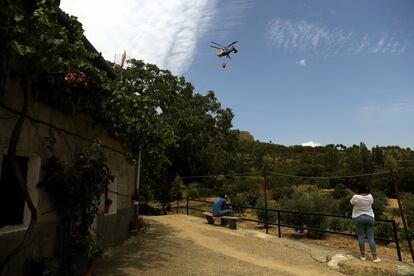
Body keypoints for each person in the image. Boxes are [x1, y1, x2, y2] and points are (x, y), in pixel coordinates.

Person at [350, 186, 381, 263]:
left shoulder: (356, 197)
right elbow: (372, 203)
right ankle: (374, 257)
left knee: (361, 236)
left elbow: (351, 202)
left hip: (359, 217)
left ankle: (363, 256)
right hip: (370, 217)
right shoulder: (370, 197)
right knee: (370, 237)